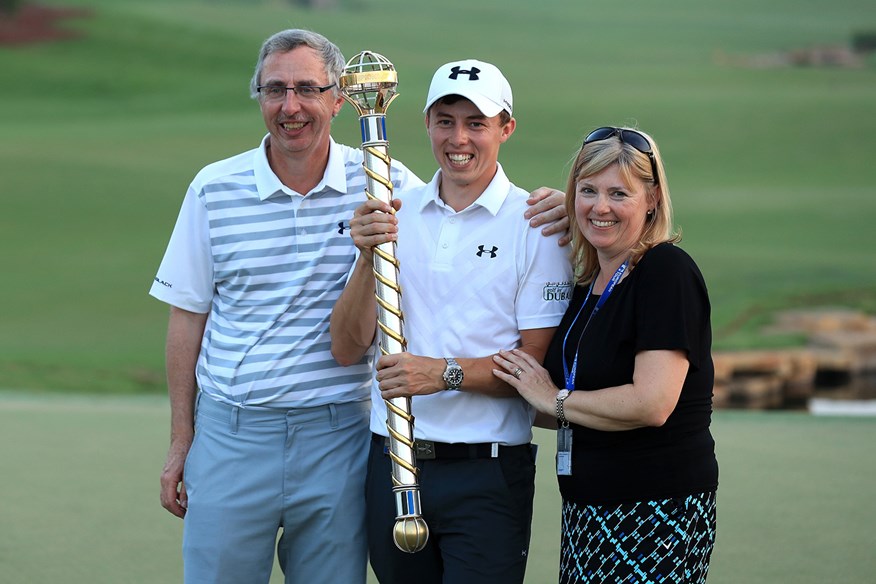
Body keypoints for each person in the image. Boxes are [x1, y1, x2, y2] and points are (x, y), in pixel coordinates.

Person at [149, 30, 568, 584]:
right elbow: (188, 319)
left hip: (340, 438)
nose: (290, 106)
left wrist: (567, 209)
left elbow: (466, 206)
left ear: (338, 98)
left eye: (307, 88)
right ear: (258, 96)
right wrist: (182, 441)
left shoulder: (385, 182)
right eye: (275, 90)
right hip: (236, 432)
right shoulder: (214, 189)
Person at [330, 59, 573, 584]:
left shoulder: (534, 225)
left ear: (506, 129)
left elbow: (535, 365)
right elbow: (348, 348)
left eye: (476, 123)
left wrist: (442, 373)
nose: (458, 138)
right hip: (392, 462)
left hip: (488, 471)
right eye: (445, 120)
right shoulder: (394, 213)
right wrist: (368, 257)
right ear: (426, 124)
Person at [493, 126, 719, 583]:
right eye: (588, 190)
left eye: (620, 193)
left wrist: (553, 398)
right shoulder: (588, 284)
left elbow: (652, 403)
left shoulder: (664, 271)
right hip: (587, 511)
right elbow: (558, 399)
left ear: (652, 199)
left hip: (655, 510)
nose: (601, 206)